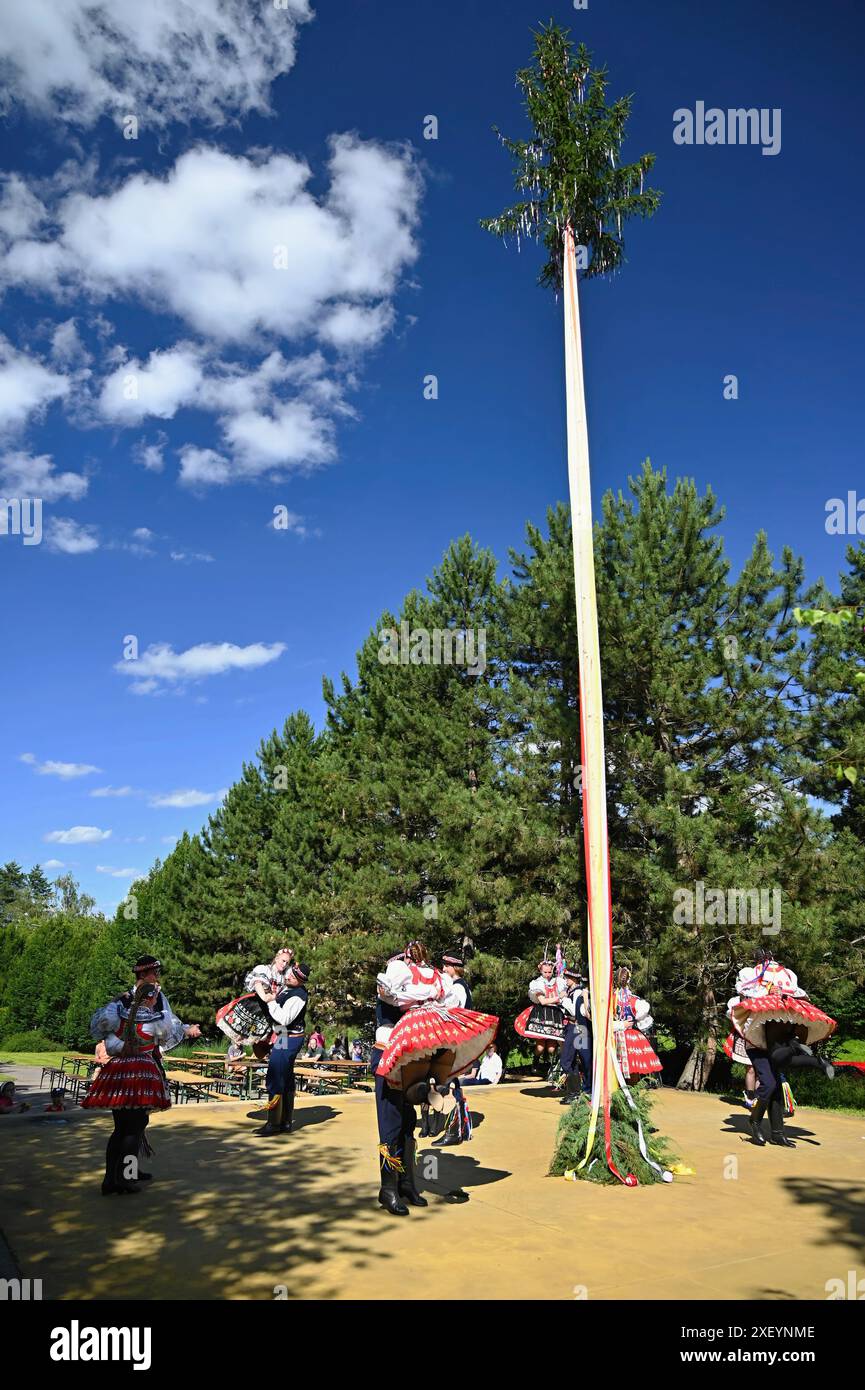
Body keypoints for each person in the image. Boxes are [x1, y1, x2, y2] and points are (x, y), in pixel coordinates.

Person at [83, 960, 199, 1194]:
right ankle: (126, 1178)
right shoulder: (153, 1018)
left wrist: (121, 1047)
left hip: (118, 1073)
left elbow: (110, 1037)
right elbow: (168, 1030)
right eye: (154, 973)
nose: (157, 977)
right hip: (141, 1074)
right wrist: (185, 1030)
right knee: (134, 1128)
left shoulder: (120, 1009)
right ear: (144, 975)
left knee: (122, 1128)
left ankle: (113, 1178)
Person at [730, 947, 836, 1147]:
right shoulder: (749, 978)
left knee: (776, 1087)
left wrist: (784, 994)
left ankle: (777, 1133)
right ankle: (755, 1121)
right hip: (757, 1042)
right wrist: (767, 992)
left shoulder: (784, 976)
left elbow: (801, 997)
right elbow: (744, 1000)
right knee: (769, 1084)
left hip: (776, 1041)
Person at [258, 961, 311, 1137]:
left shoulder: (298, 995)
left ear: (301, 981)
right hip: (283, 1035)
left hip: (289, 1037)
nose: (289, 976)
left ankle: (274, 1124)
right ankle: (285, 1122)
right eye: (290, 973)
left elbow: (284, 1019)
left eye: (294, 976)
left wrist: (272, 1002)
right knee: (286, 1077)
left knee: (276, 1075)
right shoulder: (288, 989)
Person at [216, 945, 293, 1059]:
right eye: (283, 960)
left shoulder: (284, 976)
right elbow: (262, 994)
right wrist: (270, 997)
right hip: (257, 1008)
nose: (284, 964)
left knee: (280, 1038)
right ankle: (268, 1061)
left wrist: (273, 997)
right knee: (250, 1035)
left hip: (273, 1011)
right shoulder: (265, 970)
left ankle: (276, 1060)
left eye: (287, 962)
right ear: (276, 958)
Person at [514, 958, 567, 1068]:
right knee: (540, 1047)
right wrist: (558, 998)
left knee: (552, 1048)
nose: (547, 974)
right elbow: (543, 1001)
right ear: (541, 971)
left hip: (555, 1014)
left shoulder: (559, 982)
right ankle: (535, 1063)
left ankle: (555, 1065)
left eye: (549, 972)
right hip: (542, 1014)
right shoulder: (537, 983)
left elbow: (564, 995)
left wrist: (560, 998)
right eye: (545, 972)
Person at [613, 967, 662, 1083]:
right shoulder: (635, 1000)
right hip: (631, 1036)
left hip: (614, 1034)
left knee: (616, 1066)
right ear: (629, 980)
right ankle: (632, 1094)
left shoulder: (612, 998)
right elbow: (643, 1018)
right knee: (633, 1068)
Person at [559, 967, 593, 1102]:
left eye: (567, 977)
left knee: (581, 1060)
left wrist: (563, 1000)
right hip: (574, 1028)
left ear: (574, 979)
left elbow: (574, 1011)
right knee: (573, 1060)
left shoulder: (578, 992)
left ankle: (582, 1090)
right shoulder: (572, 991)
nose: (566, 980)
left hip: (578, 1029)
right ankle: (576, 1091)